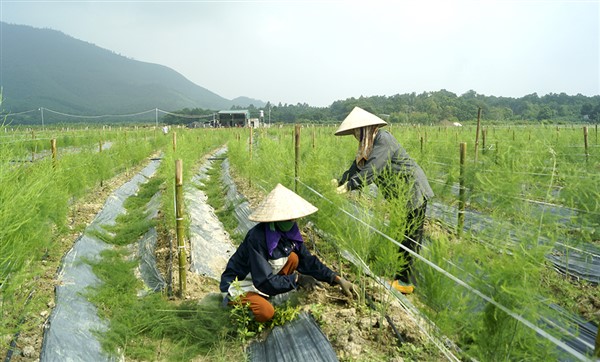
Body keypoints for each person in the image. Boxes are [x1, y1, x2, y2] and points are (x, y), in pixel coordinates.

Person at [220, 183, 356, 323]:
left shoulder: (290, 232)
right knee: (266, 312)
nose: (293, 221)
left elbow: (307, 261)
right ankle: (233, 310)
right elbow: (264, 281)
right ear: (276, 218)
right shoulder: (257, 238)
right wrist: (297, 279)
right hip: (241, 284)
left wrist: (337, 279)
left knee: (293, 258)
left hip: (263, 279)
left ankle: (267, 296)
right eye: (289, 218)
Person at [333, 106, 434, 294]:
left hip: (412, 190)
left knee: (410, 236)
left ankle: (406, 283)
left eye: (357, 131)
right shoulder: (368, 146)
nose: (355, 136)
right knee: (402, 233)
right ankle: (399, 275)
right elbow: (357, 168)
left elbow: (371, 170)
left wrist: (348, 187)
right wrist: (340, 181)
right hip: (400, 195)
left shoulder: (383, 140)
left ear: (366, 129)